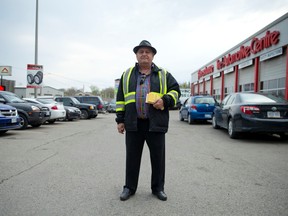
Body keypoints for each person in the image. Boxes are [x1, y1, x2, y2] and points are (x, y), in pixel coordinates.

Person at [115, 40, 181, 201]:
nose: (144, 54)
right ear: (136, 55)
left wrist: (165, 100)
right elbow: (121, 99)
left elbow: (176, 91)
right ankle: (129, 187)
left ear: (153, 55)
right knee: (132, 158)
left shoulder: (164, 74)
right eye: (141, 51)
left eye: (147, 52)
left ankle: (158, 188)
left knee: (158, 158)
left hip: (155, 123)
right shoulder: (127, 74)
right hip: (133, 123)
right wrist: (120, 120)